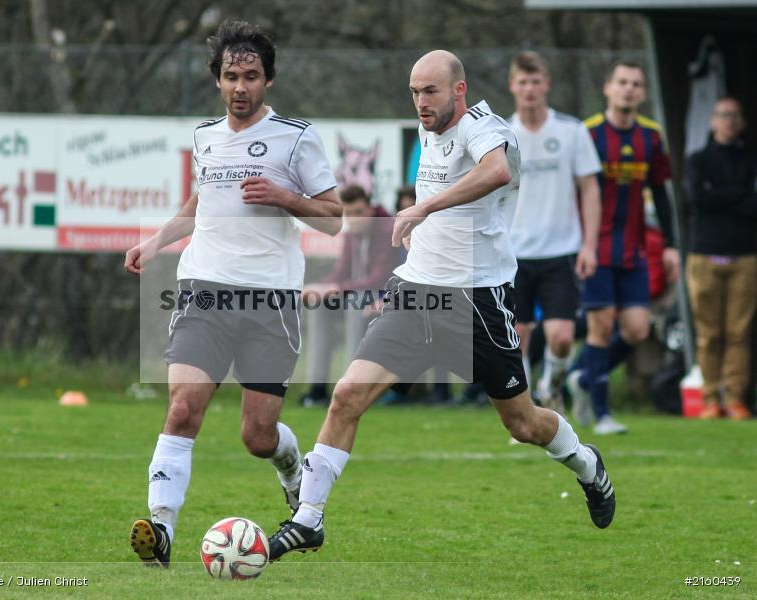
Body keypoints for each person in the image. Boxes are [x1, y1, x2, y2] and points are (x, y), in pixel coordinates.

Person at [268, 50, 615, 561]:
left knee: (522, 424)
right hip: (416, 293)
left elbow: (497, 170)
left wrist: (423, 206)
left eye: (430, 91)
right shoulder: (429, 130)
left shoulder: (483, 125)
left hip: (479, 301)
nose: (420, 102)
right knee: (346, 396)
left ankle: (588, 466)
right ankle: (309, 519)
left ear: (459, 89)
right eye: (413, 91)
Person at [122, 20, 342, 568]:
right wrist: (154, 243)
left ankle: (294, 474)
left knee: (258, 433)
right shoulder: (205, 136)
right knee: (181, 408)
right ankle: (162, 528)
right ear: (218, 81)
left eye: (250, 76)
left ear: (268, 80)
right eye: (230, 76)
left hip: (270, 299)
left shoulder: (296, 136)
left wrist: (286, 197)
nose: (240, 86)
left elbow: (335, 217)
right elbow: (202, 202)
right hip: (204, 291)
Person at [566, 60, 680, 435]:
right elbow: (572, 191)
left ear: (643, 93)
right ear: (608, 88)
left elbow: (661, 194)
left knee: (635, 329)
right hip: (595, 248)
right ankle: (601, 414)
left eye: (635, 83)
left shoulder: (651, 136)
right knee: (600, 327)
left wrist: (670, 245)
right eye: (622, 82)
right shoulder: (589, 133)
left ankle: (584, 375)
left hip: (633, 251)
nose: (629, 89)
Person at [507, 51, 601, 414]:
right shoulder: (502, 132)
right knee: (517, 339)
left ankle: (552, 386)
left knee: (561, 338)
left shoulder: (571, 130)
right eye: (523, 82)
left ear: (546, 84)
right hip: (513, 253)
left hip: (562, 251)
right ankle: (528, 410)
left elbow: (590, 189)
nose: (529, 89)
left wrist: (589, 246)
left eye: (536, 81)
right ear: (512, 86)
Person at [684, 97, 757, 420]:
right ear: (713, 121)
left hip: (744, 254)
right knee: (709, 331)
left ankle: (736, 398)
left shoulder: (750, 159)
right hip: (704, 253)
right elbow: (698, 197)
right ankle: (711, 399)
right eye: (723, 115)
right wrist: (737, 196)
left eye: (734, 115)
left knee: (739, 331)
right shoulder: (698, 159)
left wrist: (720, 195)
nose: (728, 121)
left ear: (741, 123)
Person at [300, 184, 401, 407]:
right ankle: (317, 389)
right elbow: (340, 273)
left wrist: (337, 288)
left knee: (356, 301)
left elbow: (378, 278)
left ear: (371, 209)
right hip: (360, 294)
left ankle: (351, 387)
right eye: (348, 214)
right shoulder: (352, 234)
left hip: (390, 297)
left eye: (358, 212)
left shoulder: (387, 229)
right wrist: (317, 288)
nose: (354, 219)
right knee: (320, 305)